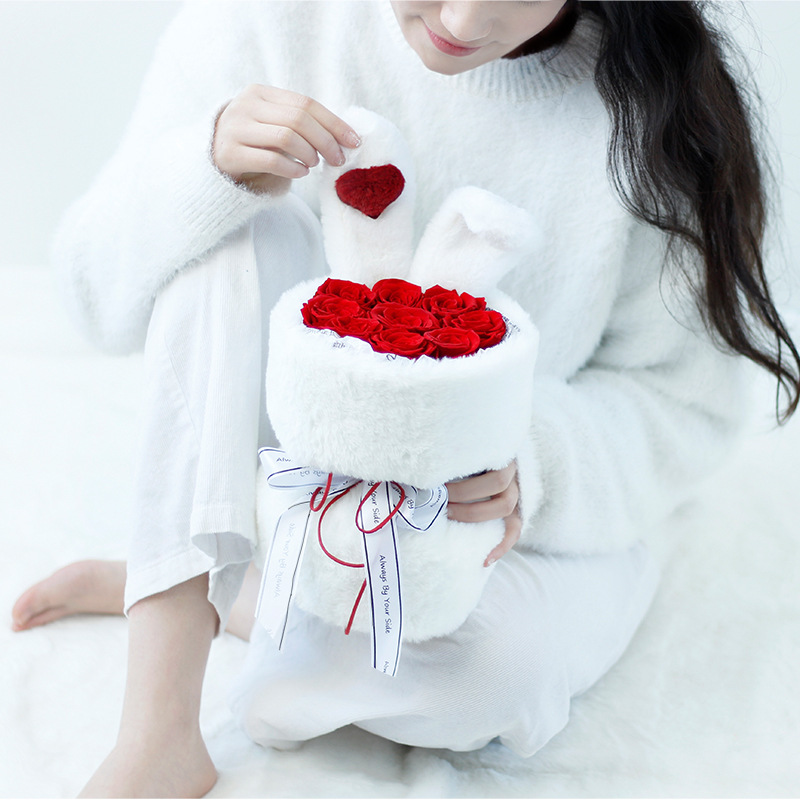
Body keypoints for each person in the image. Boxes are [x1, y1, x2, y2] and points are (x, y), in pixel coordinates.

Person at [12, 1, 800, 797]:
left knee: (491, 682)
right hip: (302, 469)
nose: (463, 18)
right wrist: (207, 170)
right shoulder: (268, 21)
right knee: (227, 238)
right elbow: (92, 299)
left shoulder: (654, 106)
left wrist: (530, 460)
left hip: (497, 522)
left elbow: (683, 407)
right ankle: (162, 716)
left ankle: (219, 577)